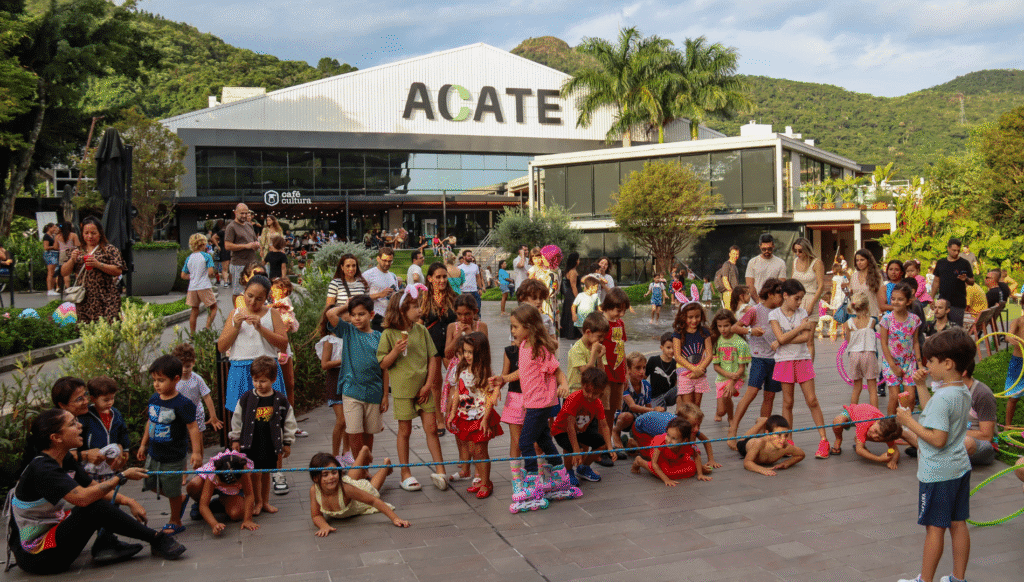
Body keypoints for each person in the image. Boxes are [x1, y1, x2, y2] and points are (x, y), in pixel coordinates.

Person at [8, 409, 186, 574]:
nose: (80, 426)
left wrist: (129, 501)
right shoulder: (42, 468)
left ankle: (107, 543)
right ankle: (156, 539)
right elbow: (83, 499)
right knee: (93, 505)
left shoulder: (64, 457)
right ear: (56, 437)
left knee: (98, 497)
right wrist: (121, 476)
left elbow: (92, 486)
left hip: (52, 537)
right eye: (72, 424)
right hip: (36, 556)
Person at [894, 328, 975, 582]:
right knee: (958, 523)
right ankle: (957, 579)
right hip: (958, 467)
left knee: (935, 528)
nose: (927, 364)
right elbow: (935, 418)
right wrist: (921, 385)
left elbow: (936, 438)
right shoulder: (960, 390)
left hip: (938, 472)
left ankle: (924, 580)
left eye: (931, 361)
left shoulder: (944, 397)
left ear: (948, 363)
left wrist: (908, 421)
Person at [491, 304, 568, 507]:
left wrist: (565, 385)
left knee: (525, 442)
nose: (512, 331)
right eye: (511, 326)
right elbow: (522, 373)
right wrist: (503, 379)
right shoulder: (524, 348)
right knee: (544, 441)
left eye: (515, 327)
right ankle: (561, 478)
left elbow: (557, 371)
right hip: (531, 403)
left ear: (529, 327)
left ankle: (532, 484)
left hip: (540, 403)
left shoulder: (539, 349)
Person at [377, 286, 448, 492]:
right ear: (401, 310)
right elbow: (383, 364)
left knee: (432, 429)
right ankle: (405, 472)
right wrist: (395, 351)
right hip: (402, 391)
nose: (419, 310)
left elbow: (432, 358)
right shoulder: (389, 334)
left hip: (424, 389)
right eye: (415, 306)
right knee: (404, 431)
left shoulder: (421, 330)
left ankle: (440, 469)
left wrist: (428, 385)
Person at [135, 355, 203, 536]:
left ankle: (176, 520)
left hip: (173, 455)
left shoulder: (183, 404)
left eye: (161, 380)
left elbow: (193, 428)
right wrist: (143, 445)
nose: (156, 384)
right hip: (154, 453)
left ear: (176, 379)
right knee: (150, 483)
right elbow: (150, 422)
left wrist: (196, 453)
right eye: (154, 380)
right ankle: (179, 498)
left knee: (172, 488)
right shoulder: (154, 399)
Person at [768, 279, 832, 460]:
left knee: (812, 400)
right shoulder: (774, 315)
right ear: (785, 296)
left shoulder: (803, 312)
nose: (799, 303)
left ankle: (823, 439)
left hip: (802, 359)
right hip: (784, 361)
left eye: (801, 299)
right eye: (796, 298)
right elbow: (781, 336)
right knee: (787, 402)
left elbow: (805, 338)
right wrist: (799, 328)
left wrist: (783, 339)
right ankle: (789, 441)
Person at [229, 355, 296, 515]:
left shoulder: (280, 400)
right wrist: (236, 438)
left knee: (266, 473)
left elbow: (289, 421)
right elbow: (237, 419)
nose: (259, 384)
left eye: (263, 381)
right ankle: (257, 502)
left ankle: (265, 501)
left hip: (269, 443)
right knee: (254, 473)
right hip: (251, 443)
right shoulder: (246, 398)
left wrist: (287, 442)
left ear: (273, 379)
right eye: (255, 380)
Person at [325, 295, 387, 460]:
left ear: (371, 315)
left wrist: (385, 396)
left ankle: (365, 467)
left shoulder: (378, 337)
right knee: (353, 432)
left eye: (361, 314)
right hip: (351, 390)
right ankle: (360, 467)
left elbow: (384, 368)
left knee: (369, 434)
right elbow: (331, 315)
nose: (357, 318)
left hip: (374, 392)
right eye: (353, 315)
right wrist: (346, 306)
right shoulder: (348, 331)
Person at [217, 275, 289, 417]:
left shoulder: (272, 313)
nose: (252, 302)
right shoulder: (235, 314)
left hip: (267, 369)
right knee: (241, 418)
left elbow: (283, 344)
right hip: (240, 370)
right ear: (244, 291)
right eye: (249, 296)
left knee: (270, 416)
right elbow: (221, 347)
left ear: (266, 297)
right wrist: (236, 327)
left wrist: (261, 328)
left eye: (259, 299)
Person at [728, 278, 783, 449]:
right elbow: (734, 328)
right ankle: (733, 429)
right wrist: (752, 331)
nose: (782, 297)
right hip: (759, 358)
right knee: (751, 394)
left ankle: (762, 433)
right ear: (770, 294)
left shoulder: (781, 312)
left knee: (770, 396)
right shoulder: (754, 311)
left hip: (777, 358)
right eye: (780, 294)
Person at [445, 332, 501, 498]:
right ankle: (484, 480)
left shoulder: (484, 371)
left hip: (480, 415)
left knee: (481, 450)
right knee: (471, 449)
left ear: (480, 352)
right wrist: (452, 413)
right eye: (465, 351)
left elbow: (490, 398)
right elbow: (457, 392)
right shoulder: (461, 368)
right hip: (465, 414)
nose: (467, 355)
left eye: (470, 352)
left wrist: (485, 420)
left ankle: (485, 483)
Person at [308, 450, 409, 535]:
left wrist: (395, 518)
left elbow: (373, 501)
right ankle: (363, 451)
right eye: (325, 474)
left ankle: (385, 465)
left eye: (334, 472)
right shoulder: (314, 490)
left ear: (339, 472)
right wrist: (324, 526)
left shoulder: (346, 489)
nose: (331, 477)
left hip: (358, 491)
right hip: (348, 486)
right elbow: (316, 515)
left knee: (372, 487)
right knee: (350, 479)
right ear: (316, 478)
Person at [553, 367, 615, 485]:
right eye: (587, 391)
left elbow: (604, 425)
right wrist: (576, 450)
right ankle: (568, 472)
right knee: (572, 448)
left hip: (580, 430)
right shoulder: (574, 398)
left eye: (595, 393)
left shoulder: (598, 403)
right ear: (582, 385)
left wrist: (610, 447)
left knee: (601, 444)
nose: (590, 396)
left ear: (601, 392)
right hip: (562, 430)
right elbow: (569, 426)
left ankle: (583, 468)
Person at [59, 217, 125, 324]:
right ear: (82, 234)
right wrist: (72, 259)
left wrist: (98, 264)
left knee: (109, 328)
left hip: (107, 297)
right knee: (86, 330)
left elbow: (118, 270)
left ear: (100, 233)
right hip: (84, 299)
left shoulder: (109, 249)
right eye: (86, 233)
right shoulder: (77, 251)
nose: (90, 236)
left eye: (93, 233)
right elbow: (64, 272)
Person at [421, 262, 458, 436]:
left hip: (451, 346)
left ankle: (455, 415)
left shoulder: (454, 297)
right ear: (430, 278)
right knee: (436, 385)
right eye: (438, 277)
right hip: (432, 345)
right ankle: (440, 420)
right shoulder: (423, 299)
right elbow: (418, 323)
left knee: (456, 381)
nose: (442, 280)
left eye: (444, 276)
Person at [184, 450, 258, 535]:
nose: (220, 484)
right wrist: (214, 524)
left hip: (233, 488)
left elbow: (249, 495)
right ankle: (199, 502)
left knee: (237, 514)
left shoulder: (243, 469)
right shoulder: (213, 471)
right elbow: (203, 505)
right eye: (220, 482)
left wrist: (248, 520)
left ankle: (221, 502)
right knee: (194, 485)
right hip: (211, 483)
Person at [880, 283, 922, 415]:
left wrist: (919, 364)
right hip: (891, 362)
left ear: (908, 301)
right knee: (894, 396)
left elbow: (915, 342)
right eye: (893, 299)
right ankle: (889, 426)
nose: (896, 302)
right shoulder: (887, 319)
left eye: (900, 299)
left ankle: (906, 425)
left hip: (909, 362)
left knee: (911, 397)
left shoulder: (914, 319)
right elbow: (883, 343)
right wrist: (893, 366)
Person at [630, 416, 711, 485]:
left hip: (675, 456)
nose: (668, 440)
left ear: (684, 440)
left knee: (692, 469)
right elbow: (654, 463)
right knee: (665, 473)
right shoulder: (661, 442)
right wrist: (666, 480)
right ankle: (640, 461)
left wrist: (700, 474)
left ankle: (675, 466)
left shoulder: (686, 444)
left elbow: (696, 456)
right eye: (668, 435)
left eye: (674, 438)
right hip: (660, 456)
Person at [314, 306, 350, 463]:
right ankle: (336, 455)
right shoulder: (329, 340)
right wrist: (344, 361)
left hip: (350, 380)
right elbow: (325, 364)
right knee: (341, 420)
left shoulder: (350, 336)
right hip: (335, 380)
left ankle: (347, 452)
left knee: (350, 419)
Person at [78, 376, 130, 482]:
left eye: (112, 398)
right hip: (92, 464)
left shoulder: (116, 413)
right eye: (106, 400)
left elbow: (123, 432)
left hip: (111, 463)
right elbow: (79, 437)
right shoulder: (86, 416)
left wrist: (125, 450)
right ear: (93, 399)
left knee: (111, 487)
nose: (110, 402)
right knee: (96, 490)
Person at [600, 287, 630, 466]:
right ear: (608, 306)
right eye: (619, 310)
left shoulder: (619, 324)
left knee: (611, 412)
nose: (621, 314)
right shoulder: (601, 323)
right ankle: (600, 448)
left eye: (624, 310)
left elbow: (622, 348)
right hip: (605, 374)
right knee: (602, 412)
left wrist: (625, 371)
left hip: (618, 372)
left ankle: (608, 445)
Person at [829, 403, 905, 467]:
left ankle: (859, 439)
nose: (874, 436)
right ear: (877, 421)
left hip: (865, 423)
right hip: (852, 414)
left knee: (868, 434)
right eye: (876, 431)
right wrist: (879, 459)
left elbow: (895, 450)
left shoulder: (886, 431)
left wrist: (894, 461)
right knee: (837, 422)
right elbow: (859, 450)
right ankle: (838, 439)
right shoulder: (864, 425)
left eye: (879, 436)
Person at [613, 352, 663, 450]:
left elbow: (648, 406)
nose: (642, 371)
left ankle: (631, 440)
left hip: (638, 418)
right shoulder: (625, 385)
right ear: (628, 370)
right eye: (638, 368)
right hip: (623, 417)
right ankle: (615, 432)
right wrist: (654, 410)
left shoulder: (646, 385)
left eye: (644, 368)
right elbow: (632, 406)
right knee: (627, 416)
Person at [171, 343, 223, 435]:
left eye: (187, 366)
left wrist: (213, 416)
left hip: (196, 414)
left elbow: (207, 397)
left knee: (198, 441)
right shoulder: (173, 380)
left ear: (193, 363)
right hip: (178, 415)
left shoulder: (197, 379)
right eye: (181, 366)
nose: (184, 370)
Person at [710, 309, 750, 424]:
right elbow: (716, 367)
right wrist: (728, 375)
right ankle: (720, 411)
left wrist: (732, 382)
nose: (723, 329)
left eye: (726, 326)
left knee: (727, 395)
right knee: (721, 411)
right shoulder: (716, 342)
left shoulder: (740, 344)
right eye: (720, 326)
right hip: (723, 376)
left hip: (738, 376)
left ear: (733, 325)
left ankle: (731, 418)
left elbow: (742, 368)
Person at [673, 300, 713, 411]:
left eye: (697, 316)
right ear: (683, 317)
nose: (694, 320)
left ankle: (695, 428)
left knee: (697, 406)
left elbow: (709, 355)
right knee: (688, 408)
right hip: (685, 373)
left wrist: (699, 369)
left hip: (700, 372)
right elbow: (677, 356)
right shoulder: (678, 333)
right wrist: (694, 369)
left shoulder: (704, 332)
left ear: (702, 315)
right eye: (690, 317)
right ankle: (688, 427)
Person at [844, 292, 881, 408]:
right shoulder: (872, 321)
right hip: (868, 354)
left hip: (854, 355)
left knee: (857, 387)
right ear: (867, 306)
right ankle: (875, 416)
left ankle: (853, 413)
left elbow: (849, 341)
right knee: (872, 388)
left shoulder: (848, 323)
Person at [790, 237, 825, 358]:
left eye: (800, 251)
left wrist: (812, 304)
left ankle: (809, 370)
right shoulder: (795, 262)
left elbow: (821, 286)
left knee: (809, 339)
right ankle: (799, 366)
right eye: (795, 251)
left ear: (807, 250)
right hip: (796, 300)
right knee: (796, 336)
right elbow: (792, 282)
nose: (798, 254)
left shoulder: (816, 263)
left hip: (811, 298)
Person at [737, 415, 805, 476]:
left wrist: (787, 463)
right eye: (779, 435)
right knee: (741, 440)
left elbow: (801, 454)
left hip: (768, 439)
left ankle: (763, 430)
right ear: (768, 433)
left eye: (786, 435)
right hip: (747, 443)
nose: (783, 439)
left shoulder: (786, 446)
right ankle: (761, 422)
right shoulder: (759, 443)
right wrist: (761, 469)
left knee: (760, 437)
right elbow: (747, 462)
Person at [930, 237, 975, 326]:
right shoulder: (941, 263)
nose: (956, 253)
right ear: (948, 248)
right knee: (939, 328)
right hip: (942, 301)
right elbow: (936, 282)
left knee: (956, 330)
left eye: (958, 251)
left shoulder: (964, 263)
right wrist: (931, 298)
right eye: (954, 250)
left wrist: (966, 279)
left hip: (958, 303)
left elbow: (972, 281)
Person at [181, 233, 218, 334]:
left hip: (192, 287)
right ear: (202, 244)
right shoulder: (207, 256)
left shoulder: (189, 258)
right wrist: (213, 275)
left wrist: (193, 276)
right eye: (205, 244)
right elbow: (210, 272)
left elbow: (183, 275)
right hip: (204, 286)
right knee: (213, 307)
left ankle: (192, 334)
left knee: (194, 310)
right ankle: (206, 328)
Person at [224, 203, 260, 303]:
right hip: (239, 264)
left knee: (251, 291)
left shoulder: (249, 225)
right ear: (235, 213)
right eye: (241, 213)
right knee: (238, 292)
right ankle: (236, 314)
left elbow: (254, 240)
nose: (244, 215)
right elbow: (227, 246)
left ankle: (248, 313)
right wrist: (246, 246)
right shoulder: (231, 227)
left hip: (252, 264)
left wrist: (256, 244)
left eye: (246, 213)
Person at [567, 312, 608, 395]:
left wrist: (600, 357)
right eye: (599, 336)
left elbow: (601, 373)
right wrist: (593, 353)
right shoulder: (576, 349)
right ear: (588, 332)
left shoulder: (597, 347)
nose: (602, 339)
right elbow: (586, 373)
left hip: (591, 394)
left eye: (604, 336)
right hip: (575, 392)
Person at [363, 247, 400, 331]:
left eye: (390, 261)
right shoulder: (368, 275)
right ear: (378, 259)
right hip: (375, 318)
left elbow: (397, 296)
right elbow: (360, 298)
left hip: (391, 317)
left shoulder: (393, 276)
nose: (387, 263)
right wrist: (379, 295)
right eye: (384, 260)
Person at [745, 233, 787, 302]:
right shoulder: (752, 262)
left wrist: (772, 301)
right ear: (760, 247)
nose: (767, 251)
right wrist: (758, 300)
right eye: (764, 249)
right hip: (755, 302)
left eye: (769, 249)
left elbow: (781, 285)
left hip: (773, 303)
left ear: (773, 246)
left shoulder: (780, 263)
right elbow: (749, 285)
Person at [844, 249, 882, 317]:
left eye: (862, 260)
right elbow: (851, 296)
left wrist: (880, 314)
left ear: (868, 260)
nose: (859, 262)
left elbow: (880, 297)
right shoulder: (854, 276)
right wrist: (844, 289)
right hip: (856, 315)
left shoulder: (876, 276)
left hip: (872, 315)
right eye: (857, 260)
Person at [1003, 313, 1024, 427]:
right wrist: (1011, 338)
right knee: (1013, 397)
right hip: (1018, 363)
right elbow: (1008, 335)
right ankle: (1008, 425)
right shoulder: (1018, 321)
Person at [647, 332, 678, 409]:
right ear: (662, 347)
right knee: (658, 413)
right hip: (655, 397)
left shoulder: (676, 364)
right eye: (668, 347)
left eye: (674, 348)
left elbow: (676, 384)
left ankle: (679, 414)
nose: (671, 350)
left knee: (682, 387)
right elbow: (643, 378)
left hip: (669, 395)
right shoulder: (653, 360)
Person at [559, 252, 581, 338]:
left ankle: (570, 333)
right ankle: (571, 334)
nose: (579, 261)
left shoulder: (571, 270)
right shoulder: (572, 271)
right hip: (572, 295)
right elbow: (573, 286)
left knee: (569, 313)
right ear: (575, 261)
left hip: (570, 295)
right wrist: (578, 297)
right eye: (578, 259)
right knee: (573, 313)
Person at [55, 222, 81, 291]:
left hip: (62, 254)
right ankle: (79, 286)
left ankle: (67, 288)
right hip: (72, 253)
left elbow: (56, 247)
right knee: (76, 270)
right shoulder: (73, 235)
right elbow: (77, 244)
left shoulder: (57, 236)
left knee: (66, 272)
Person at [718, 246, 741, 310]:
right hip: (729, 293)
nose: (735, 256)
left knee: (734, 313)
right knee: (730, 314)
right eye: (733, 254)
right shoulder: (727, 264)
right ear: (729, 254)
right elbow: (725, 279)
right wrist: (731, 291)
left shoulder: (735, 266)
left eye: (737, 254)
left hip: (734, 293)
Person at [42, 223, 59, 296]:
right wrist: (53, 247)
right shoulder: (46, 236)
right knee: (50, 272)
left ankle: (52, 288)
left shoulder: (53, 236)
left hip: (55, 254)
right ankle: (49, 289)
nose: (55, 229)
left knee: (54, 273)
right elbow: (45, 247)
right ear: (49, 228)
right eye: (54, 228)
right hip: (50, 254)